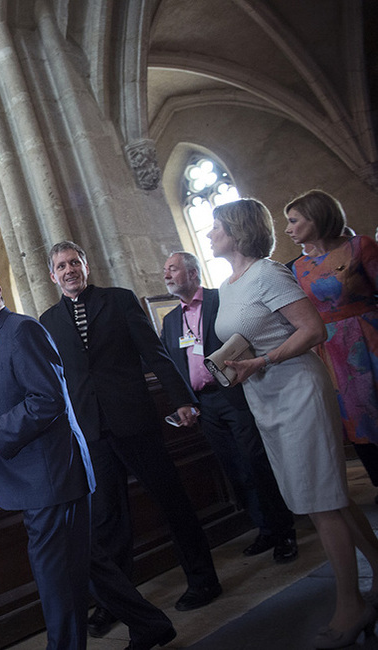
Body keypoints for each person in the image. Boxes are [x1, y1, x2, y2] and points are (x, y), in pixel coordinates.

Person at [208, 198, 378, 648]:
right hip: (265, 395)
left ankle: (351, 603)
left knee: (322, 500)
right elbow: (254, 329)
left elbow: (312, 330)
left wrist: (262, 358)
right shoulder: (229, 283)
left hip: (298, 390)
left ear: (239, 230)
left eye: (217, 226)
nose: (210, 234)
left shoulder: (268, 272)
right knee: (328, 497)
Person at [40, 241, 218, 650]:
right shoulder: (48, 320)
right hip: (92, 433)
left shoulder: (118, 301)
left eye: (74, 263)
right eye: (61, 266)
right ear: (52, 276)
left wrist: (182, 399)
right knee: (108, 521)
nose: (69, 271)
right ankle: (119, 604)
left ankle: (203, 580)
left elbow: (154, 353)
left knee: (171, 500)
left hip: (135, 421)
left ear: (86, 265)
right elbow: (57, 383)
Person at [0, 261, 95, 649]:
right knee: (84, 568)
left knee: (55, 579)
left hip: (47, 476)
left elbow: (48, 399)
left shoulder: (20, 329)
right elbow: (14, 399)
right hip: (35, 475)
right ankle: (150, 625)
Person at [161, 251, 297, 562]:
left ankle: (285, 530)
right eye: (165, 270)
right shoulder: (170, 321)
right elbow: (172, 363)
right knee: (235, 469)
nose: (167, 275)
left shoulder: (218, 299)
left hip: (234, 393)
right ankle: (264, 529)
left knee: (256, 461)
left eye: (173, 269)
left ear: (193, 273)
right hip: (204, 406)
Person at [285, 190, 378, 463]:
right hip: (331, 349)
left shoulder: (360, 246)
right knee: (353, 417)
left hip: (369, 337)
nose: (288, 229)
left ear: (316, 218)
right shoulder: (298, 267)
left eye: (294, 220)